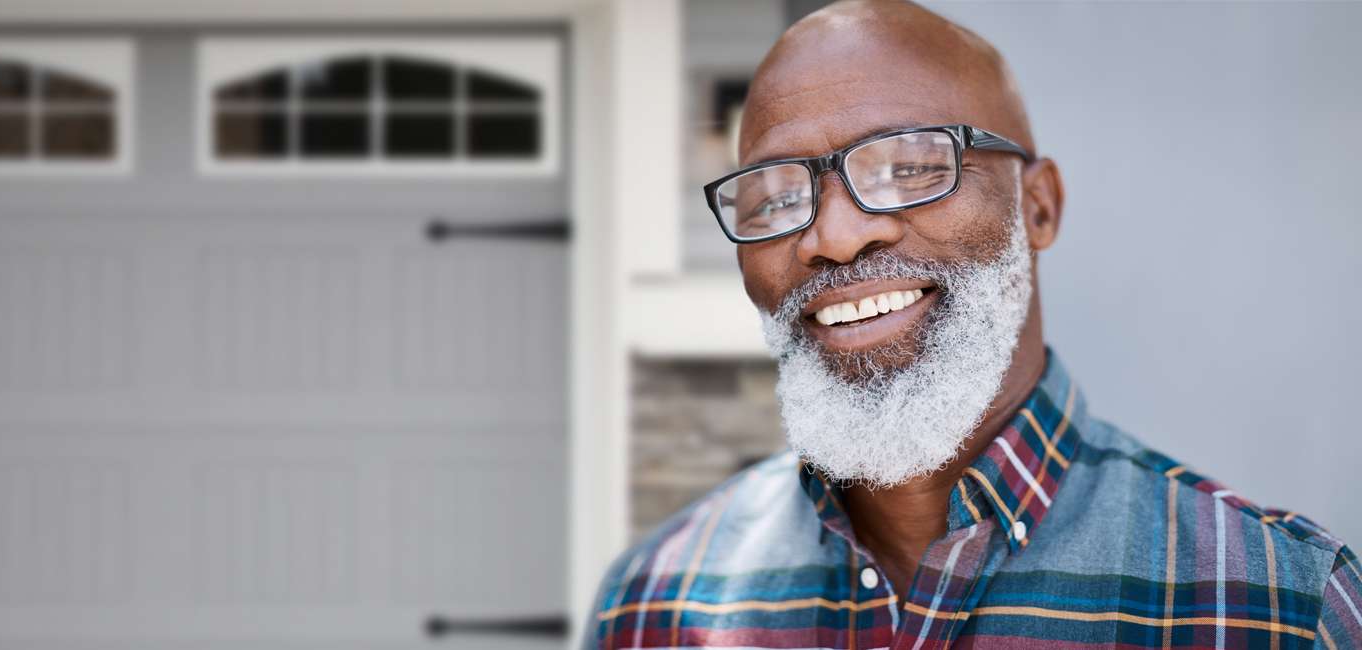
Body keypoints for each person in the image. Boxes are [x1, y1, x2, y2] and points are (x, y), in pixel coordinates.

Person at [582, 1, 1361, 647]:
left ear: (1038, 206)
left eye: (911, 166)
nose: (836, 236)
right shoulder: (655, 604)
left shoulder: (1275, 607)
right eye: (778, 197)